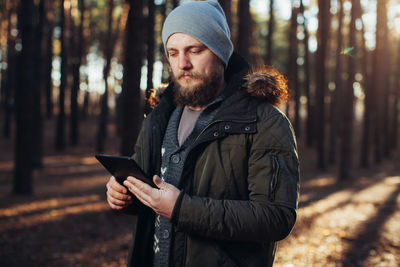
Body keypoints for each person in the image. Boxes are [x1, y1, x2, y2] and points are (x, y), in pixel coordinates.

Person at [106, 1, 300, 266]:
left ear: (220, 52)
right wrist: (125, 195)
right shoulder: (158, 119)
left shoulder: (263, 123)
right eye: (173, 53)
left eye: (194, 50)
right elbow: (152, 195)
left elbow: (276, 218)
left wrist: (180, 208)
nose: (182, 63)